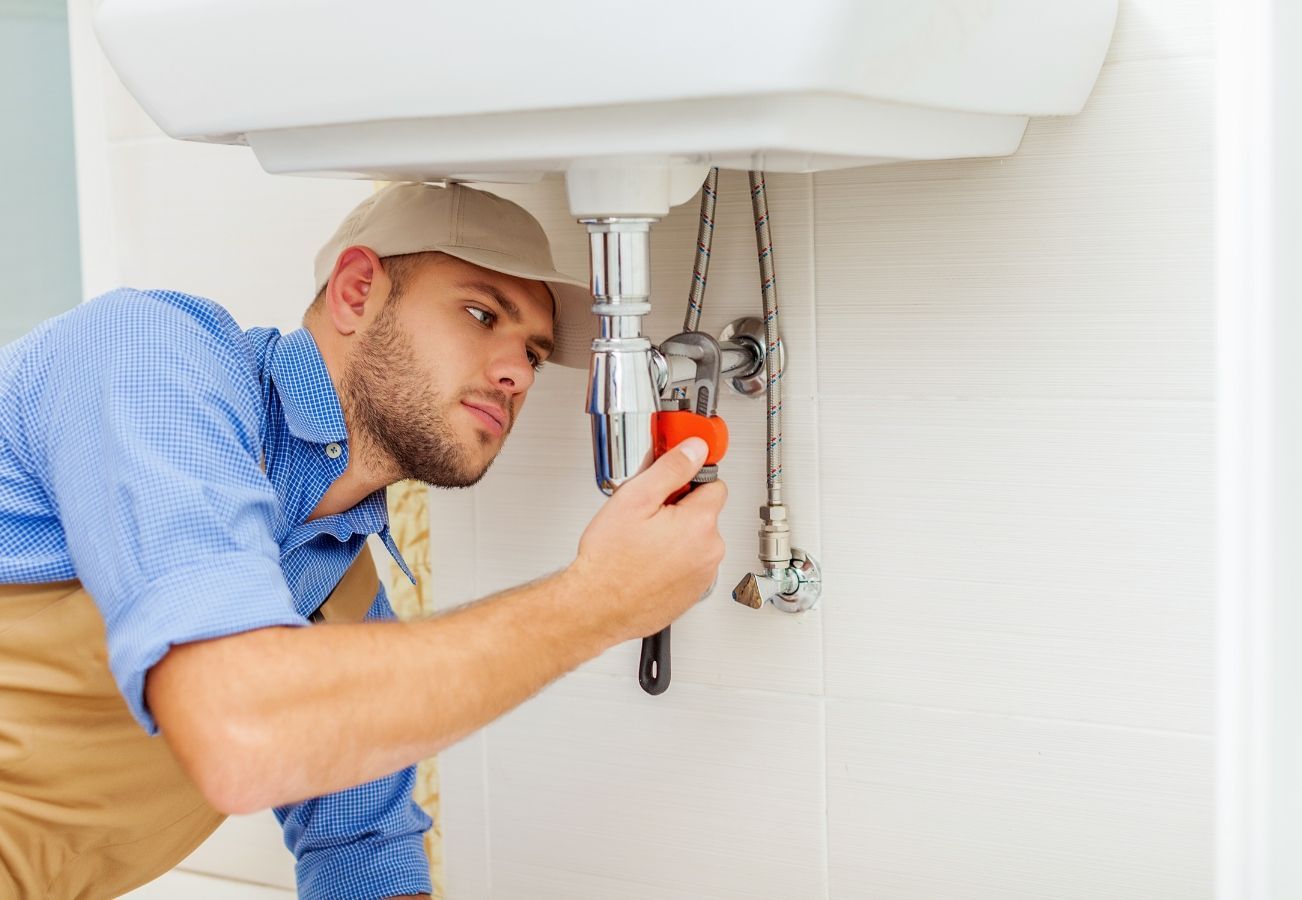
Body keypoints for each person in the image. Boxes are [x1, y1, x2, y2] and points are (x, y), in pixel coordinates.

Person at [0, 182, 727, 899]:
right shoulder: (148, 357)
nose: (515, 375)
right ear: (356, 292)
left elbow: (364, 856)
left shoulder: (338, 579)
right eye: (481, 314)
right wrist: (598, 600)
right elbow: (239, 730)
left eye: (532, 355)